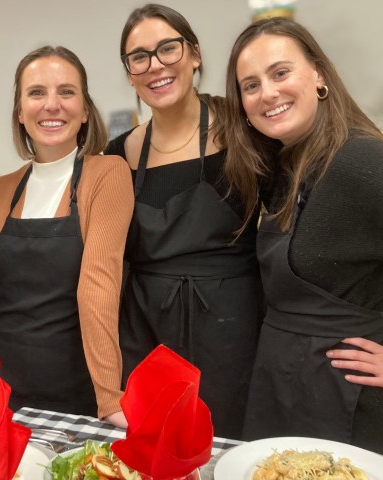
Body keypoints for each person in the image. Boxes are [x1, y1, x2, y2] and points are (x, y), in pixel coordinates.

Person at [224, 17, 383, 467]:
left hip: (354, 411)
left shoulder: (363, 162)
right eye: (250, 85)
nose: (267, 93)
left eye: (280, 73)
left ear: (318, 74)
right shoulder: (282, 165)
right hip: (284, 394)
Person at [103, 3, 263, 439]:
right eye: (139, 57)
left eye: (167, 49)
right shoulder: (118, 154)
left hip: (233, 334)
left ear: (194, 54)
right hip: (147, 339)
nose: (155, 65)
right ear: (130, 73)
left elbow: (330, 155)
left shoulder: (244, 126)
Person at [0, 45, 133, 427]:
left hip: (76, 385)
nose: (52, 105)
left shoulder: (108, 173)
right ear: (20, 111)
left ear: (85, 110)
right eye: (36, 93)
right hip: (1, 384)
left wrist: (109, 396)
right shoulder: (3, 188)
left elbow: (99, 284)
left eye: (66, 92)